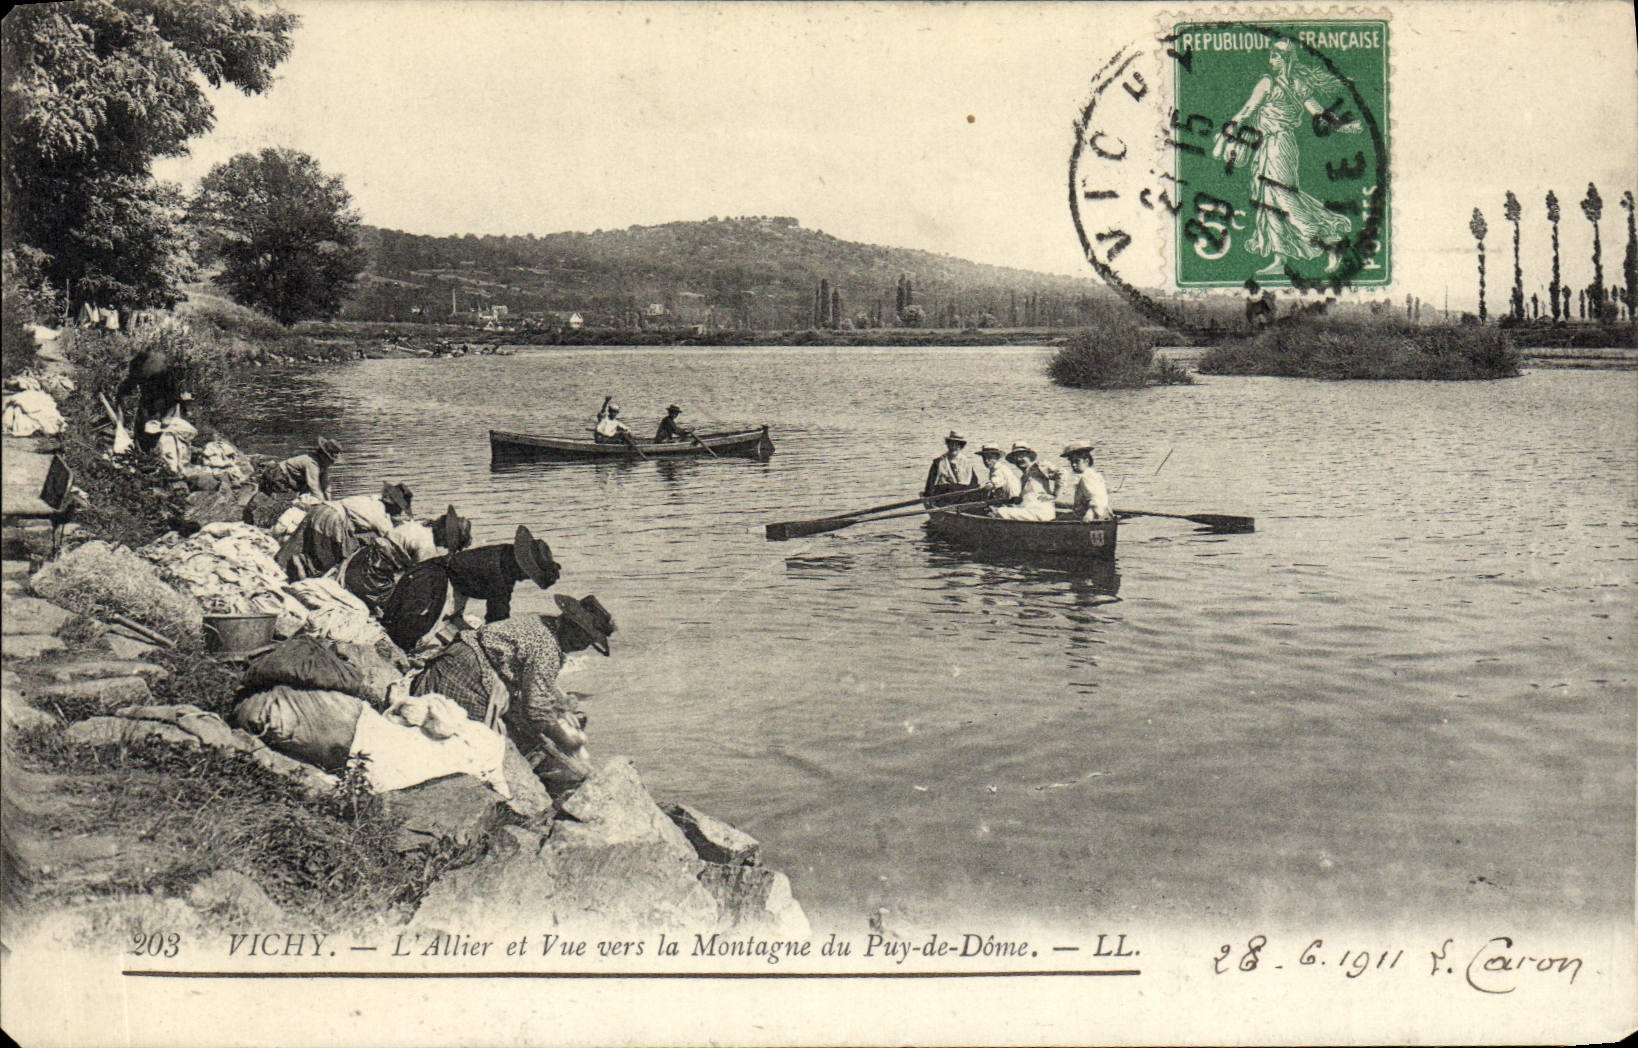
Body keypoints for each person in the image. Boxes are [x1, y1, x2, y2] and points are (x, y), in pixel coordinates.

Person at [409, 595, 616, 795]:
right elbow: (536, 710)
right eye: (581, 637)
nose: (581, 646)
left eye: (587, 641)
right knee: (484, 745)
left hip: (457, 658)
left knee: (512, 731)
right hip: (466, 677)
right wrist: (567, 740)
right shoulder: (548, 649)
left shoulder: (543, 623)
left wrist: (559, 704)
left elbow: (532, 680)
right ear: (569, 625)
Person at [1215, 37, 1361, 276]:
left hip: (1277, 146)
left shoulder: (1269, 82)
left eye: (1274, 56)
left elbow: (1248, 109)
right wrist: (1344, 127)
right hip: (1272, 145)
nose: (1270, 60)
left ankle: (1331, 244)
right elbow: (1321, 115)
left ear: (1284, 60)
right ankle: (1280, 259)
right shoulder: (1298, 84)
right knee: (1269, 200)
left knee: (1283, 199)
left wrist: (1230, 127)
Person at [444, 524, 560, 624]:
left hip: (453, 570)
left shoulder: (507, 553)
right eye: (528, 575)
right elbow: (497, 618)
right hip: (446, 583)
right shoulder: (501, 576)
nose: (524, 579)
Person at [115, 345, 184, 450]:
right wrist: (120, 400)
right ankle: (143, 448)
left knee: (161, 430)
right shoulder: (139, 366)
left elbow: (174, 400)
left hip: (161, 403)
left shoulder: (165, 373)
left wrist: (167, 418)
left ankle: (150, 448)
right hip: (149, 402)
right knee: (144, 424)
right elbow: (128, 385)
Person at [990, 442, 1059, 521]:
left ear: (1029, 456)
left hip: (1041, 513)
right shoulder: (1024, 477)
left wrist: (1055, 495)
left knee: (999, 511)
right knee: (999, 509)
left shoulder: (1038, 467)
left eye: (1022, 455)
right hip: (1030, 512)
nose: (1019, 459)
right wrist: (1019, 499)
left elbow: (1062, 473)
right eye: (1016, 457)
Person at [260, 437, 341, 500]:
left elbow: (326, 485)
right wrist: (323, 503)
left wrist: (329, 502)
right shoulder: (312, 462)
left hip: (292, 478)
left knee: (307, 491)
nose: (332, 463)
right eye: (330, 460)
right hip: (278, 475)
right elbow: (314, 486)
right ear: (323, 455)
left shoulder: (323, 465)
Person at [921, 430, 983, 505]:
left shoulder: (967, 462)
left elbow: (974, 484)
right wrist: (928, 498)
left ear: (961, 446)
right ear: (948, 445)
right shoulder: (938, 462)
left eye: (957, 445)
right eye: (951, 444)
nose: (954, 447)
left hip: (962, 497)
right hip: (945, 497)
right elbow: (930, 484)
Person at [1056, 441, 1113, 521]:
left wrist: (1089, 515)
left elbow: (1096, 499)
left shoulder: (1088, 477)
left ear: (1086, 461)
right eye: (1072, 462)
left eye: (1077, 461)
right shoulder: (1093, 474)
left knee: (1056, 519)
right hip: (1094, 514)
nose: (1073, 465)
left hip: (1090, 517)